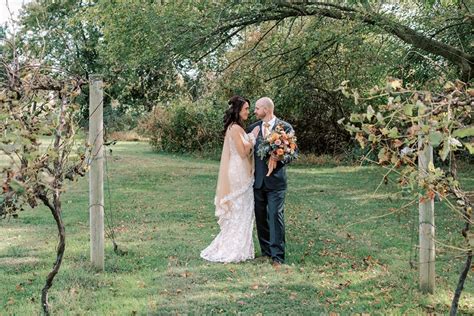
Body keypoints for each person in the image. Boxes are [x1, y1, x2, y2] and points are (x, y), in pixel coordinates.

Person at [200, 95, 260, 263]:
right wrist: (253, 137)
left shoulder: (235, 127)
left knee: (241, 209)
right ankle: (234, 248)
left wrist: (248, 136)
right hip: (238, 172)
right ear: (238, 110)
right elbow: (243, 152)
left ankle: (240, 246)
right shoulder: (235, 128)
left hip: (237, 169)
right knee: (240, 208)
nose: (249, 111)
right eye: (246, 109)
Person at [246, 97, 297, 266]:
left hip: (276, 183)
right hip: (257, 182)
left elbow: (293, 154)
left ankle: (277, 257)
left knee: (275, 216)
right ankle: (266, 252)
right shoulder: (253, 128)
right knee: (261, 218)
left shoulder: (285, 127)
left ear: (266, 109)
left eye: (257, 108)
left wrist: (278, 156)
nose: (254, 111)